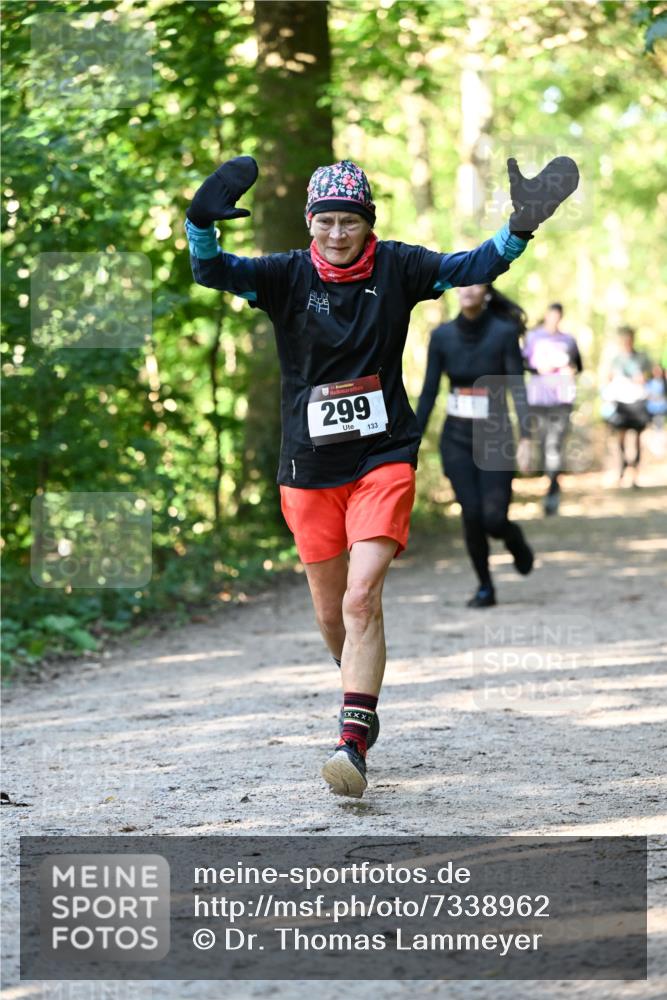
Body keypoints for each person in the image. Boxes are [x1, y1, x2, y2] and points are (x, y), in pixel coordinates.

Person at [184, 153, 579, 797]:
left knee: (362, 596)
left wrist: (522, 225)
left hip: (383, 455)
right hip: (308, 466)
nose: (337, 234)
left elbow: (472, 266)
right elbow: (213, 272)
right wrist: (200, 222)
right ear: (310, 224)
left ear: (368, 223)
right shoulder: (285, 276)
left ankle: (352, 740)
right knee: (332, 612)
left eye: (350, 222)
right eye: (326, 222)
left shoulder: (399, 265)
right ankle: (359, 685)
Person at [416, 284, 534, 608]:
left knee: (493, 519)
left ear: (487, 292)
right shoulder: (441, 337)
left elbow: (517, 388)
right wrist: (408, 444)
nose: (467, 289)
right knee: (471, 515)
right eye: (461, 283)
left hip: (496, 436)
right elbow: (428, 394)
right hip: (455, 439)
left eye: (476, 283)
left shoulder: (503, 333)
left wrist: (526, 437)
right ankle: (485, 586)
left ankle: (513, 538)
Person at [522, 302, 583, 514]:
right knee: (543, 446)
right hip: (538, 399)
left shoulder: (569, 340)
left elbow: (579, 366)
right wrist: (539, 369)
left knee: (554, 445)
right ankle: (552, 486)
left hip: (562, 399)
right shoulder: (532, 337)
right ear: (546, 316)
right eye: (551, 316)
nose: (554, 319)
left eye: (558, 316)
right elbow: (521, 363)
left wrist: (570, 369)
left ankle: (552, 493)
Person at [601, 326, 651, 487]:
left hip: (637, 400)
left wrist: (641, 378)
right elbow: (608, 377)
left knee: (637, 437)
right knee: (620, 437)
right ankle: (622, 466)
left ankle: (635, 471)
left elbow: (649, 375)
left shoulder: (641, 358)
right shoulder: (616, 359)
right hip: (621, 401)